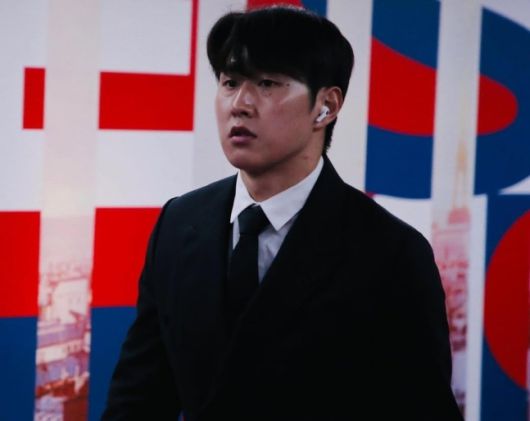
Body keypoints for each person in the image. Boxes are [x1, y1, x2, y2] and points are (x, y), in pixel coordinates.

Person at [103, 6, 463, 421]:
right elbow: (138, 399)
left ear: (325, 106)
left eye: (267, 83)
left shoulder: (391, 253)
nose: (240, 104)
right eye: (230, 82)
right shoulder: (179, 222)